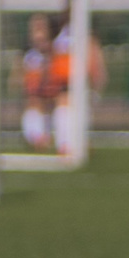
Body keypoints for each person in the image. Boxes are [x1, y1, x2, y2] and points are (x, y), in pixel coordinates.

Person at [48, 12, 107, 158]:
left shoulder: (86, 33)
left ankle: (76, 144)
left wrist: (97, 76)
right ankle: (64, 145)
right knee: (63, 106)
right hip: (63, 78)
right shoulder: (60, 32)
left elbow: (94, 56)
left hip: (80, 79)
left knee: (78, 111)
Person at [19, 14, 57, 149]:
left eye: (41, 26)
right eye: (35, 27)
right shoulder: (27, 53)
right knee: (34, 99)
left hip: (53, 96)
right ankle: (36, 135)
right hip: (35, 97)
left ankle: (54, 135)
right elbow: (17, 79)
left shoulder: (56, 49)